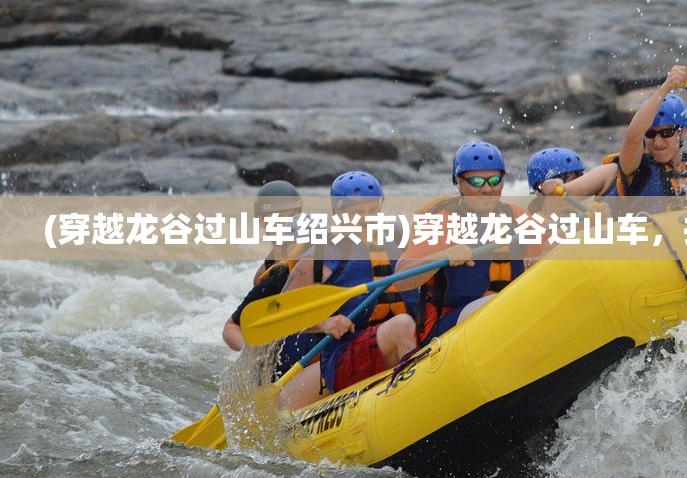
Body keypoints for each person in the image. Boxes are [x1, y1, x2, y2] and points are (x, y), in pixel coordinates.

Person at [276, 171, 419, 409]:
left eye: (373, 211)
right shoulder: (324, 255)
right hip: (345, 355)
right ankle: (414, 404)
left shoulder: (397, 241)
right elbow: (283, 313)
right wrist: (324, 323)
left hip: (391, 342)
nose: (367, 219)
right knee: (402, 325)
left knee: (410, 324)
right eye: (358, 213)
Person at [395, 141, 542, 340]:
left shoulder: (515, 216)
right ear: (459, 182)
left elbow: (559, 249)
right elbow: (402, 279)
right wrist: (442, 255)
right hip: (445, 331)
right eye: (477, 182)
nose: (487, 189)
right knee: (498, 303)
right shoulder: (442, 221)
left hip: (507, 319)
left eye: (494, 180)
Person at [555, 63, 687, 199]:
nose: (657, 142)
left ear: (682, 132)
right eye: (651, 134)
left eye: (665, 133)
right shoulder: (635, 168)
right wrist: (666, 86)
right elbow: (632, 137)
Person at [221, 180, 313, 370]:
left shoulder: (317, 249)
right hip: (286, 352)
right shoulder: (266, 274)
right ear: (262, 221)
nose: (285, 224)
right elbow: (232, 327)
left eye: (291, 217)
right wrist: (253, 352)